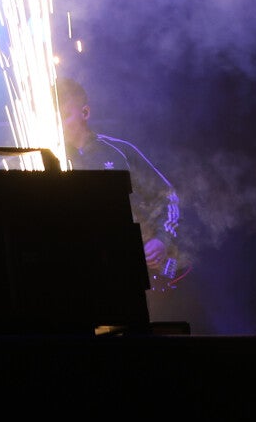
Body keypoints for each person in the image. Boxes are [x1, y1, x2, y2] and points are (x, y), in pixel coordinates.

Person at [58, 78, 186, 287]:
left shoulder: (120, 152)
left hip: (140, 272)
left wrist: (161, 240)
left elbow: (167, 196)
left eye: (64, 116)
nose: (58, 124)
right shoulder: (50, 162)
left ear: (85, 113)